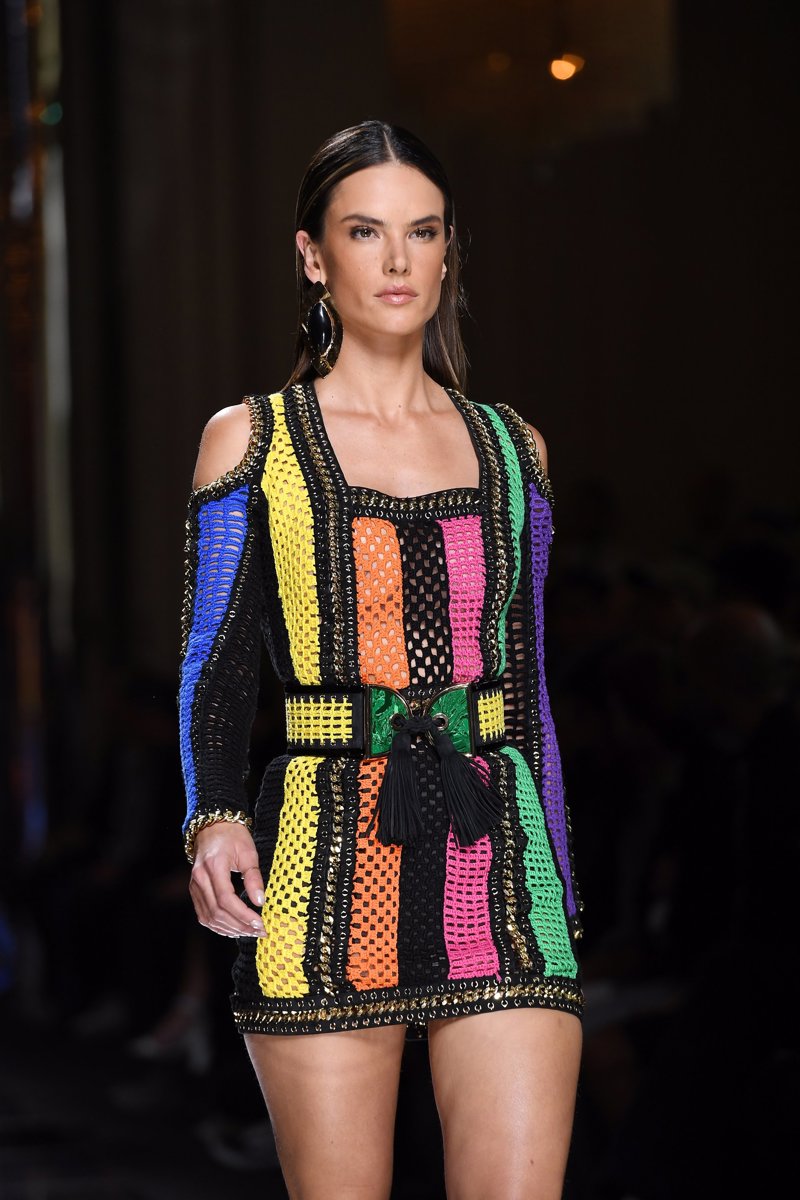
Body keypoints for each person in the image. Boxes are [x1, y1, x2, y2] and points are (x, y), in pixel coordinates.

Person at [179, 119, 584, 1199]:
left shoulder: (513, 449)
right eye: (365, 232)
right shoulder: (252, 439)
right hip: (319, 859)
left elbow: (529, 689)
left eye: (423, 232)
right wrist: (212, 815)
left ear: (449, 251)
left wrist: (560, 888)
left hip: (499, 855)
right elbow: (215, 666)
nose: (398, 260)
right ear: (313, 255)